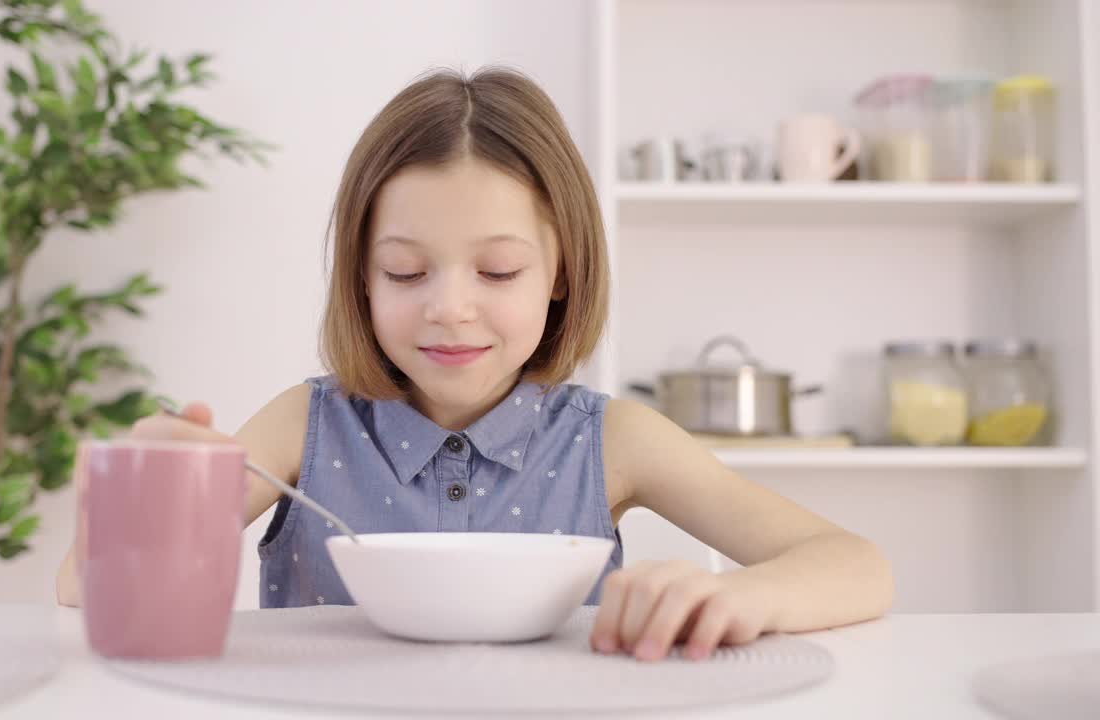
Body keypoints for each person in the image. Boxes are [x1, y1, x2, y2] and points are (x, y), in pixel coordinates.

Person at [57, 66, 893, 662]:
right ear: (359, 276)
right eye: (405, 272)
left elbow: (859, 565)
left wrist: (736, 598)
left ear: (561, 273)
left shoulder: (614, 441)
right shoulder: (299, 429)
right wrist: (138, 499)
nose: (449, 307)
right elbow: (85, 591)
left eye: (497, 271)